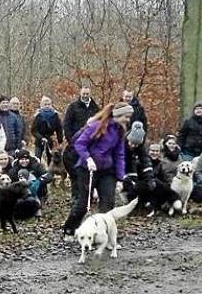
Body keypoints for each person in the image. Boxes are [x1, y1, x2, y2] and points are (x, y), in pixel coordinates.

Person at [62, 102, 129, 240]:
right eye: (126, 117)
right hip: (87, 168)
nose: (127, 120)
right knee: (84, 202)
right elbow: (79, 143)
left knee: (108, 202)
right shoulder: (96, 126)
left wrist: (120, 178)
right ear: (117, 115)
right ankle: (69, 229)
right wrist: (88, 158)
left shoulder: (120, 131)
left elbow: (119, 154)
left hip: (107, 170)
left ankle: (102, 233)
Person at [63, 86, 100, 202]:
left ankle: (89, 196)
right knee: (75, 171)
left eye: (87, 94)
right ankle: (75, 196)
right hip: (75, 144)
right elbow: (67, 124)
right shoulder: (73, 107)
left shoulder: (95, 108)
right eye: (83, 94)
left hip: (91, 145)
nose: (85, 96)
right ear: (80, 93)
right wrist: (71, 140)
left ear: (90, 94)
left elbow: (100, 124)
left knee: (89, 172)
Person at [122, 122, 156, 201]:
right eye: (132, 143)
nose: (134, 146)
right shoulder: (121, 144)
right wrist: (123, 176)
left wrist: (150, 177)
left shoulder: (140, 147)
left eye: (136, 145)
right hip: (120, 166)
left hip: (131, 164)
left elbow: (145, 160)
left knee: (137, 183)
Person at [31, 96, 63, 162]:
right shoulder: (38, 116)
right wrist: (41, 138)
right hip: (39, 140)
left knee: (51, 158)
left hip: (50, 139)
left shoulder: (55, 115)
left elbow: (59, 129)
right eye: (45, 104)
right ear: (41, 105)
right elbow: (33, 130)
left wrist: (60, 141)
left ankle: (50, 171)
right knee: (37, 158)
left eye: (48, 104)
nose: (47, 106)